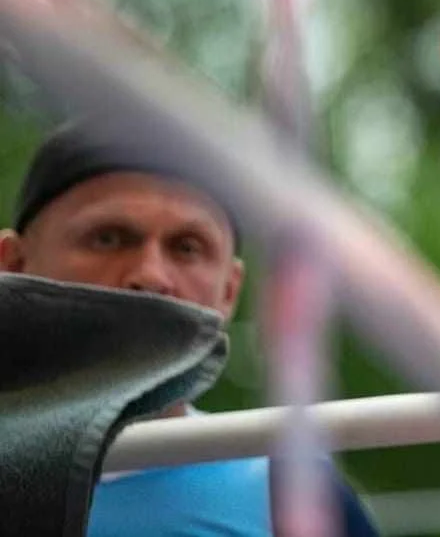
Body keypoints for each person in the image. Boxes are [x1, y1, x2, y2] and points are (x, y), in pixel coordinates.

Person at [0, 121, 379, 537]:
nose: (150, 276)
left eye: (187, 247)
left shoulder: (295, 496)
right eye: (108, 238)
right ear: (13, 266)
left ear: (229, 291)